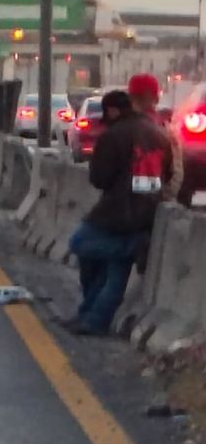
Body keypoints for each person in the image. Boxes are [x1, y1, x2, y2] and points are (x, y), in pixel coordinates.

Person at [66, 89, 173, 336]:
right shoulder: (159, 135)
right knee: (114, 272)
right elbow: (166, 175)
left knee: (80, 243)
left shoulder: (113, 136)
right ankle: (92, 319)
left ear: (113, 110)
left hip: (116, 211)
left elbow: (99, 179)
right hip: (148, 212)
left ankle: (132, 249)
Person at [127, 73, 183, 204]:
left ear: (130, 99)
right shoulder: (166, 131)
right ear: (156, 99)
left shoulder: (121, 128)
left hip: (125, 203)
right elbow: (176, 172)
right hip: (153, 202)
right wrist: (163, 197)